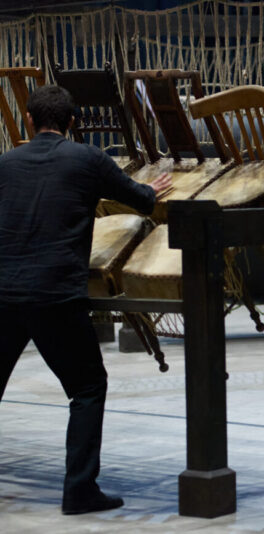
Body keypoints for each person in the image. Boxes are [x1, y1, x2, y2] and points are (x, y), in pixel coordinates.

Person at [0, 85, 172, 514]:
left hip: (4, 293)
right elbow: (142, 200)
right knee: (87, 387)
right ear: (73, 123)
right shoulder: (87, 158)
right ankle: (79, 490)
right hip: (55, 294)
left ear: (28, 120)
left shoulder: (5, 163)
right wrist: (154, 189)